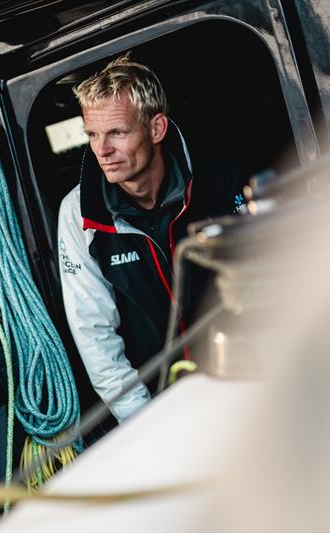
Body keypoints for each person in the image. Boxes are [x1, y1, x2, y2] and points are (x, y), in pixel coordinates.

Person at [57, 54, 248, 421]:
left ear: (156, 128)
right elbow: (94, 333)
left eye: (117, 132)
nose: (102, 151)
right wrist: (147, 423)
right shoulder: (78, 212)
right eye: (92, 134)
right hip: (164, 408)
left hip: (247, 382)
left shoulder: (221, 181)